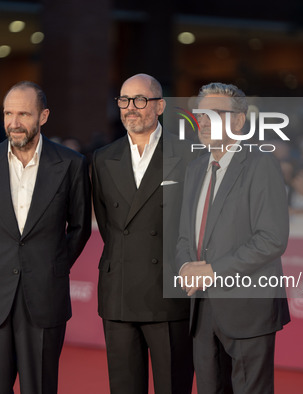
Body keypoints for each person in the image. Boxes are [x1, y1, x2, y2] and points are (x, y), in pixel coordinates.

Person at [0, 81, 91, 394]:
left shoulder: (71, 164)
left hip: (44, 295)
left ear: (43, 116)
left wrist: (50, 263)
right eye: (8, 113)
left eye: (23, 114)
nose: (14, 122)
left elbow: (80, 227)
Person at [176, 83, 290, 394]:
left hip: (248, 308)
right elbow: (185, 234)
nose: (204, 121)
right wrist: (186, 265)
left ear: (238, 122)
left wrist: (212, 271)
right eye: (200, 115)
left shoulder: (261, 164)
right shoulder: (196, 168)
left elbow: (272, 238)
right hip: (202, 308)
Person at [92, 73, 195, 394]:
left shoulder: (189, 155)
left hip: (169, 294)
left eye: (140, 100)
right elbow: (108, 224)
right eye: (124, 100)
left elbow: (193, 224)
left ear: (160, 106)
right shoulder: (102, 158)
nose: (130, 108)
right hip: (119, 293)